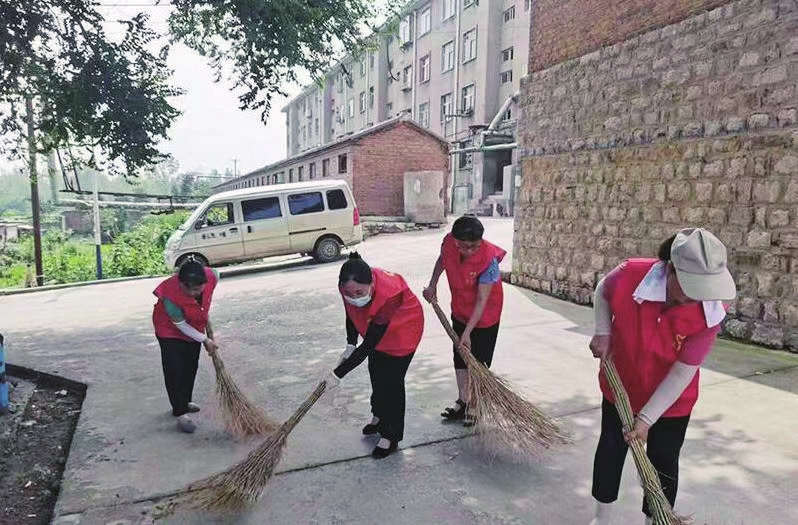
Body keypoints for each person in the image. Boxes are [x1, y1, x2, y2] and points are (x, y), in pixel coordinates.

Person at [587, 228, 737, 525]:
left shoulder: (711, 311)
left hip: (672, 402)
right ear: (670, 269)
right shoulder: (631, 274)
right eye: (689, 287)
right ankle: (601, 518)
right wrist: (603, 331)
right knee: (610, 450)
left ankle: (655, 520)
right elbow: (603, 291)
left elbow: (683, 371)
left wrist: (646, 419)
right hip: (621, 386)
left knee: (663, 462)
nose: (696, 297)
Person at [330, 252, 424, 459]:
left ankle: (391, 435)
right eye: (350, 293)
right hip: (374, 327)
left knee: (392, 383)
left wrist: (338, 373)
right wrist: (350, 343)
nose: (354, 297)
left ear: (371, 283)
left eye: (359, 292)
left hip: (403, 331)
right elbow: (351, 313)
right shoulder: (346, 287)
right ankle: (379, 417)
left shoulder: (390, 294)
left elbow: (369, 345)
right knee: (376, 373)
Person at [422, 214, 506, 426]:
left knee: (479, 361)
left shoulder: (489, 260)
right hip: (460, 309)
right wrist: (432, 284)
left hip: (485, 316)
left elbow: (482, 300)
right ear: (455, 240)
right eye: (464, 246)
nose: (470, 251)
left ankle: (475, 405)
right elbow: (442, 260)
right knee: (460, 356)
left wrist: (467, 333)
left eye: (475, 246)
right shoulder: (449, 243)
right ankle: (463, 399)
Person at [152, 260, 220, 433]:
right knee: (175, 369)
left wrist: (203, 313)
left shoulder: (212, 276)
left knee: (190, 366)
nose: (193, 293)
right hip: (169, 329)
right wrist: (204, 339)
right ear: (180, 283)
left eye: (198, 289)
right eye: (189, 289)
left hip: (195, 325)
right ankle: (180, 413)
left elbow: (214, 279)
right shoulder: (170, 294)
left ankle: (186, 401)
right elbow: (180, 325)